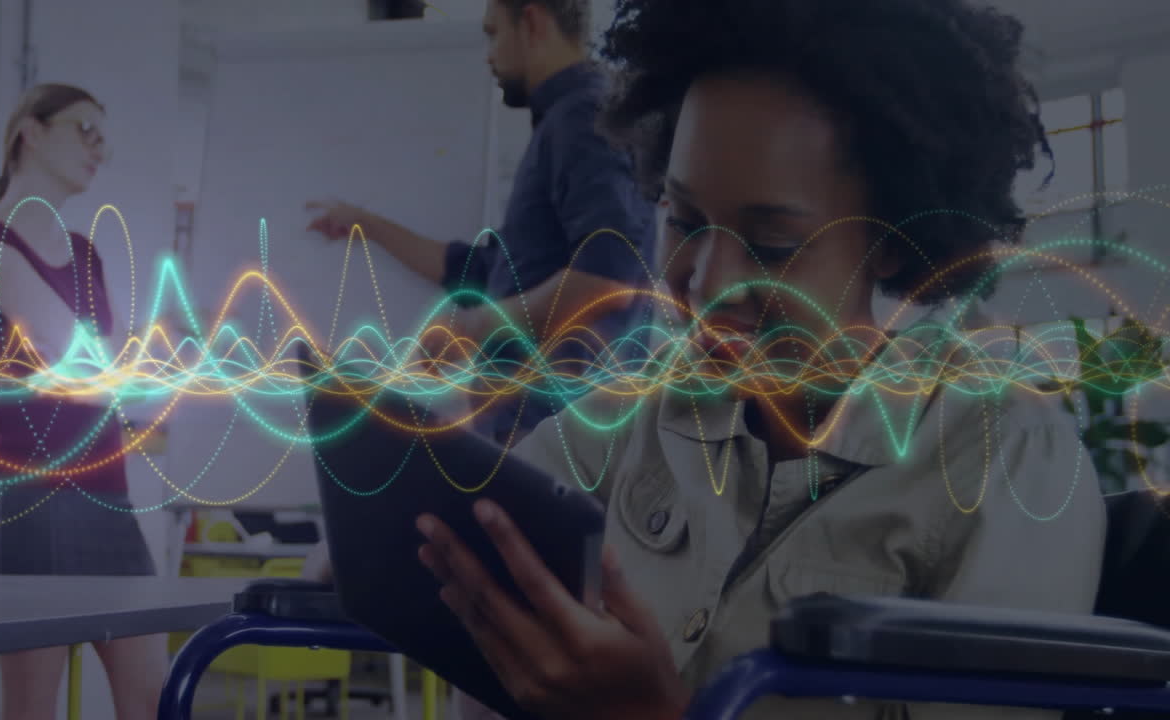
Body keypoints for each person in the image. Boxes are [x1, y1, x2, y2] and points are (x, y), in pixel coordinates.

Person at [403, 0, 1109, 719]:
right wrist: (402, 543)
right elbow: (486, 512)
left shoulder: (1008, 462)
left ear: (892, 239)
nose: (706, 285)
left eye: (772, 245)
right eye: (683, 220)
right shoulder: (637, 411)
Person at [307, 0, 655, 447]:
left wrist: (473, 327)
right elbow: (478, 271)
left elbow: (608, 276)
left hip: (556, 436)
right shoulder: (562, 124)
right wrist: (367, 224)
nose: (489, 52)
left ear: (530, 22)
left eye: (493, 33)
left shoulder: (579, 118)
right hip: (530, 430)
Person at [0, 83, 165, 720]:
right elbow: (79, 359)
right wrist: (135, 361)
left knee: (151, 696)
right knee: (32, 707)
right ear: (32, 133)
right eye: (84, 129)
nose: (99, 148)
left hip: (108, 492)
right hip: (36, 496)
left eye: (103, 135)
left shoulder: (84, 254)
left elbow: (126, 373)